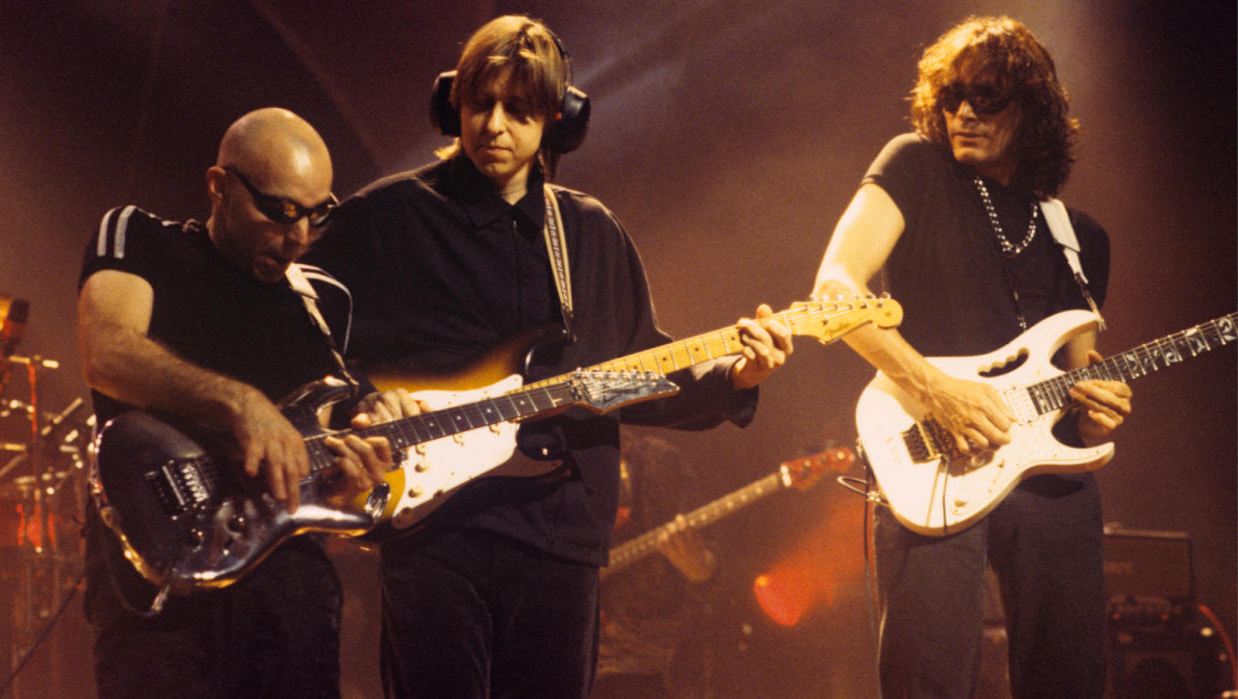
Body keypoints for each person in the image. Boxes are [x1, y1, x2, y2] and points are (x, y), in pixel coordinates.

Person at [304, 15, 792, 697]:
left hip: (561, 540)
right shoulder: (387, 217)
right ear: (454, 104)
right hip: (436, 533)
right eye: (480, 104)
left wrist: (735, 376)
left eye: (519, 109)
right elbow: (295, 326)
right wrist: (360, 398)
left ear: (557, 120)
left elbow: (629, 375)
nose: (494, 125)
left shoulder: (588, 231)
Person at [811, 16, 1133, 698]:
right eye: (953, 94)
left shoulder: (1081, 238)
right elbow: (834, 290)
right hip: (934, 456)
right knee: (925, 679)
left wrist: (1102, 409)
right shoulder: (914, 167)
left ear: (1032, 110)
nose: (963, 111)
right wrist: (932, 390)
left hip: (1052, 482)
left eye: (987, 97)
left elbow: (1082, 375)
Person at [77, 107, 412, 697]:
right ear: (219, 186)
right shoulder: (139, 237)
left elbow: (343, 474)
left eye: (316, 214)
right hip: (161, 590)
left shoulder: (321, 301)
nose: (299, 236)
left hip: (291, 611)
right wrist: (240, 403)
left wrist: (354, 482)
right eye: (280, 212)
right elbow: (106, 352)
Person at [592, 433, 719, 699]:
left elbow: (726, 560)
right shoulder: (526, 469)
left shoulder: (660, 461)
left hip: (647, 670)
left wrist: (703, 571)